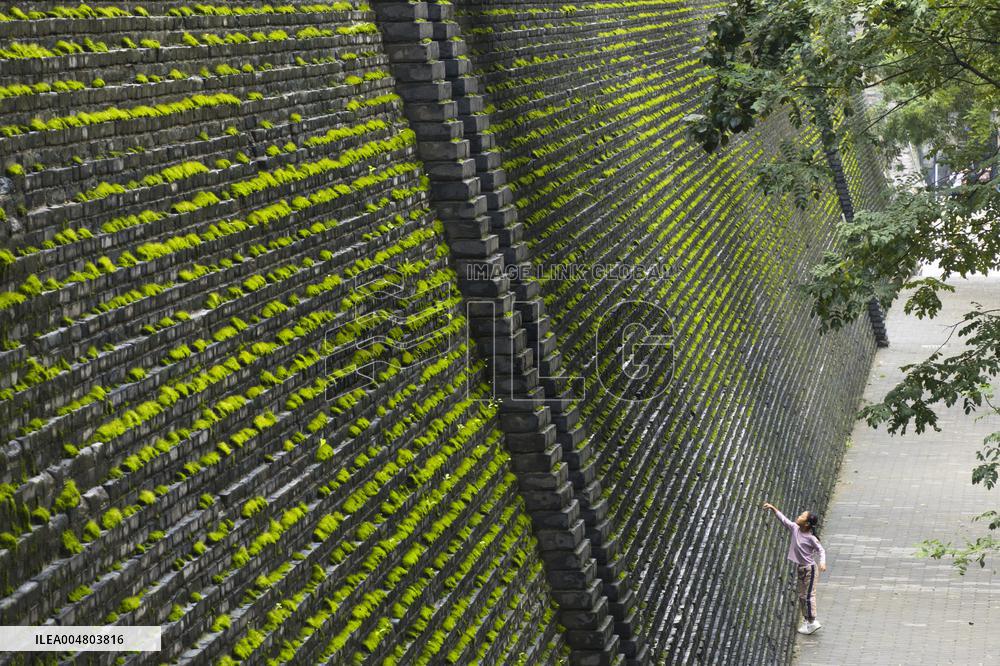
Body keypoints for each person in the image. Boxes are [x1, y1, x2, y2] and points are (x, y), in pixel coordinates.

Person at [762, 502, 827, 635]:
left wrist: (822, 562)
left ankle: (812, 621)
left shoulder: (811, 538)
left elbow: (821, 550)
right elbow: (783, 519)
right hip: (801, 568)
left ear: (807, 524)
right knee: (802, 596)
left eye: (802, 516)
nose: (798, 516)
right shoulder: (794, 528)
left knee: (809, 595)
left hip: (810, 569)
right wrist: (773, 508)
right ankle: (807, 621)